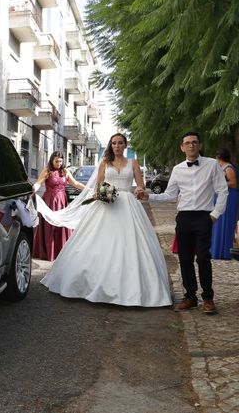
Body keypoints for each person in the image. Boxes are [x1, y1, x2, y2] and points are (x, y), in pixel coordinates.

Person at [41, 133, 172, 307]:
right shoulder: (104, 163)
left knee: (132, 244)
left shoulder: (133, 163)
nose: (117, 146)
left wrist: (139, 190)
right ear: (111, 146)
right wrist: (103, 193)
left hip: (127, 205)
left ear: (125, 146)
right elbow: (98, 185)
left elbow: (140, 184)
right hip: (106, 203)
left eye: (120, 143)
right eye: (114, 143)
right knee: (94, 241)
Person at [140, 132, 228, 313]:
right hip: (184, 218)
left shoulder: (212, 165)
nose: (191, 146)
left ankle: (208, 299)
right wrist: (149, 196)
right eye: (187, 143)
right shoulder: (178, 169)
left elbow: (223, 191)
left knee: (203, 257)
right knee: (185, 258)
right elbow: (170, 194)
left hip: (204, 217)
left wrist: (215, 215)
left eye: (194, 142)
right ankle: (190, 297)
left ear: (200, 145)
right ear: (182, 147)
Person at [32, 151, 84, 260]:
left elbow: (75, 183)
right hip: (50, 202)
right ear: (52, 160)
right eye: (56, 161)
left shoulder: (65, 171)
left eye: (60, 161)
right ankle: (49, 252)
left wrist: (88, 189)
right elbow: (39, 182)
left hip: (62, 202)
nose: (59, 163)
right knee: (50, 227)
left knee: (61, 225)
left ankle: (61, 252)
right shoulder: (47, 171)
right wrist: (34, 188)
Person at [210, 147, 238, 259]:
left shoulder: (228, 168)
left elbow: (233, 183)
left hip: (229, 198)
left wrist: (219, 183)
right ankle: (216, 250)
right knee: (218, 224)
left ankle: (224, 251)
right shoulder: (221, 167)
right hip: (221, 196)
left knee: (225, 223)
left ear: (218, 157)